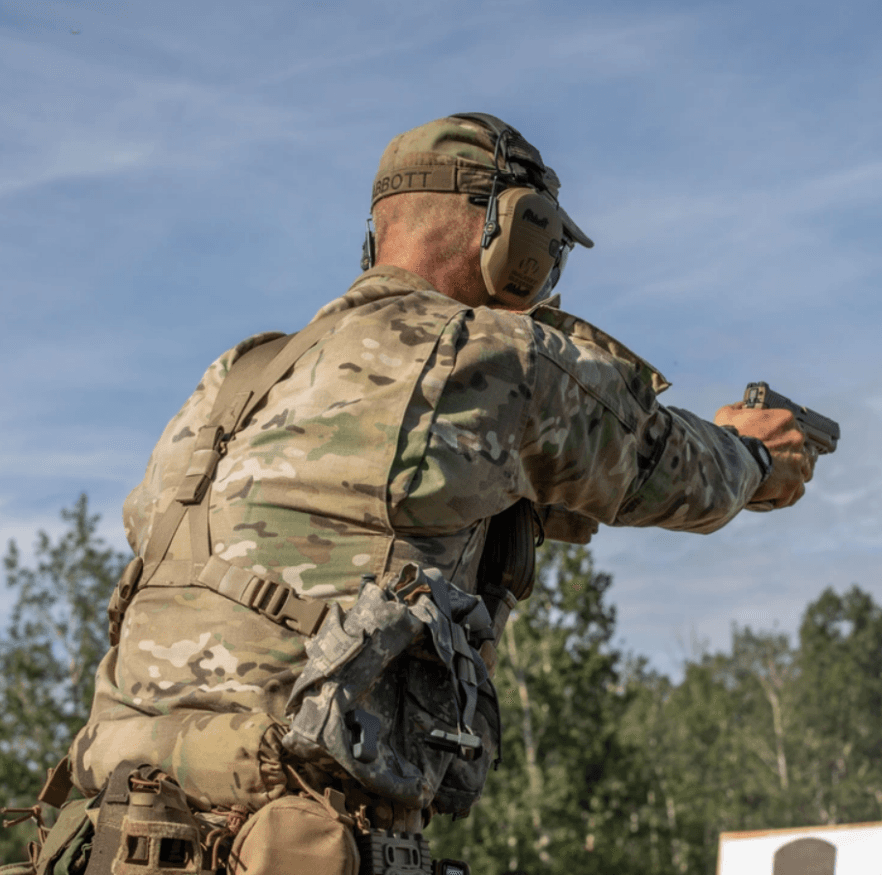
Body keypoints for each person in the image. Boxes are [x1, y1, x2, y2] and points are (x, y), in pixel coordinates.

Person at [64, 113, 816, 869]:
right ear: (513, 233)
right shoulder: (493, 355)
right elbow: (683, 474)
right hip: (294, 838)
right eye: (548, 246)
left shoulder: (238, 376)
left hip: (102, 832)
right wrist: (756, 451)